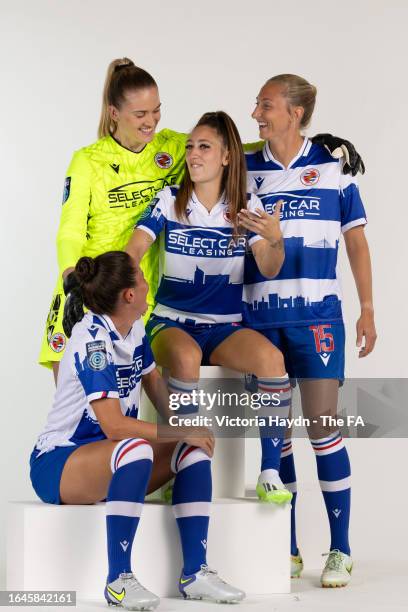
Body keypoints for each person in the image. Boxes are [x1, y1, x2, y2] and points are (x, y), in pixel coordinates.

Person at [39, 56, 363, 383]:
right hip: (86, 287)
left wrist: (314, 143)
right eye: (140, 114)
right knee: (77, 410)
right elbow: (69, 232)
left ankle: (186, 434)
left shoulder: (170, 147)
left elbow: (230, 148)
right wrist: (72, 282)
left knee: (126, 407)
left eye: (156, 111)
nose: (150, 121)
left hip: (138, 297)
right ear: (114, 113)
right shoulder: (86, 161)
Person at [30, 251, 245, 609]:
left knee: (193, 449)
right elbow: (113, 425)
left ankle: (195, 572)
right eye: (143, 281)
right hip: (59, 462)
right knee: (136, 447)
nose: (148, 285)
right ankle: (118, 580)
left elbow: (154, 383)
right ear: (129, 294)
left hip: (108, 458)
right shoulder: (93, 341)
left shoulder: (133, 328)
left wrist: (186, 426)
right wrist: (177, 431)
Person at [240, 74, 377, 588]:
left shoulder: (333, 166)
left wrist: (367, 308)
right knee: (276, 438)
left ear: (295, 112)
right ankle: (289, 547)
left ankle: (340, 549)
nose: (256, 112)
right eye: (256, 104)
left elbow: (357, 243)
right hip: (260, 319)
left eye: (266, 104)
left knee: (322, 428)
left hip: (318, 317)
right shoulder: (246, 168)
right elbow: (206, 146)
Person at [127, 111, 294, 505]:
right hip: (171, 322)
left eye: (204, 147)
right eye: (189, 146)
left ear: (226, 157)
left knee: (271, 360)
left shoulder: (245, 205)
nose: (193, 154)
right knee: (184, 357)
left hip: (223, 326)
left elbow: (269, 269)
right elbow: (133, 250)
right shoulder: (170, 199)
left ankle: (269, 471)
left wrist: (275, 239)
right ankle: (178, 466)